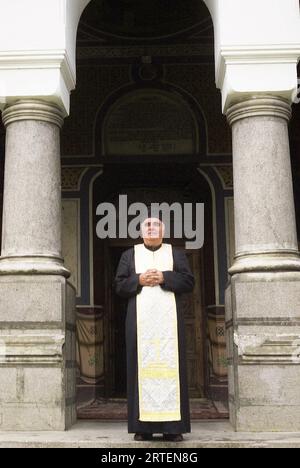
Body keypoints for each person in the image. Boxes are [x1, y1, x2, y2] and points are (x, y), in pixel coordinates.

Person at [114, 214, 195, 442]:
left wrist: (165, 277)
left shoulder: (175, 254)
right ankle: (143, 428)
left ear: (163, 231)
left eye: (156, 225)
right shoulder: (129, 255)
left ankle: (173, 428)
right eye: (147, 225)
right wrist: (138, 280)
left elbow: (189, 282)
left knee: (172, 371)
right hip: (139, 324)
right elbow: (119, 285)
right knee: (140, 371)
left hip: (170, 325)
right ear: (141, 232)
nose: (151, 228)